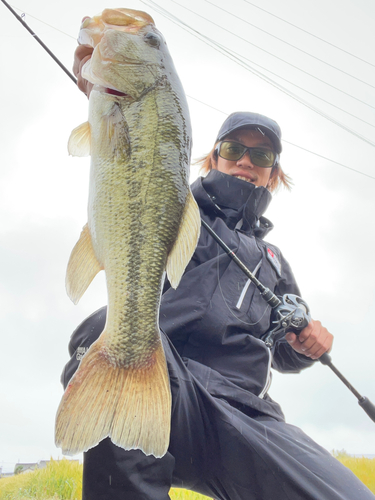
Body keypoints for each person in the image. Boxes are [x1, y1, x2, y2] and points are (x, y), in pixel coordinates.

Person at [60, 45, 375, 500]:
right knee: (114, 342)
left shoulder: (274, 261)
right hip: (170, 392)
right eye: (234, 149)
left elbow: (283, 353)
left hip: (248, 416)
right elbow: (136, 161)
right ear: (213, 158)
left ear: (274, 174)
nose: (247, 161)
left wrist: (307, 342)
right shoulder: (175, 207)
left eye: (262, 156)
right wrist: (107, 95)